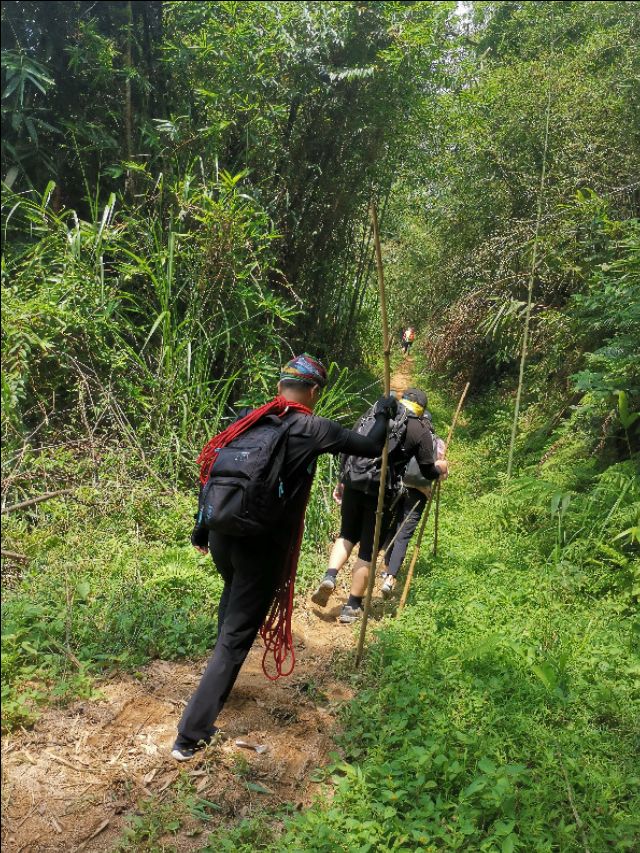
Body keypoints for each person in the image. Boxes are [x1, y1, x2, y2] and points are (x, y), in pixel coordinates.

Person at [172, 354, 398, 761]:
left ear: (280, 387)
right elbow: (369, 445)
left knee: (232, 601)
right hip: (260, 544)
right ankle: (190, 736)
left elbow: (212, 473)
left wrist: (201, 528)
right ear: (313, 392)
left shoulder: (250, 419)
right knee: (236, 637)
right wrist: (383, 410)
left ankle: (220, 687)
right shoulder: (311, 427)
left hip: (223, 535)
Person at [311, 387, 448, 622]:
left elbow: (351, 444)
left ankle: (330, 576)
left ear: (402, 399)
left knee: (346, 535)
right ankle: (352, 606)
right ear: (422, 409)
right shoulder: (420, 428)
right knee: (368, 550)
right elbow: (427, 470)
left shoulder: (378, 411)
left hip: (355, 482)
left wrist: (342, 481)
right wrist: (440, 468)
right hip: (382, 493)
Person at [379, 406, 446, 597]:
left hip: (399, 488)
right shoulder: (437, 443)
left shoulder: (408, 433)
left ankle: (385, 568)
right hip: (419, 493)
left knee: (394, 528)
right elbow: (440, 475)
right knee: (404, 534)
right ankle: (390, 578)